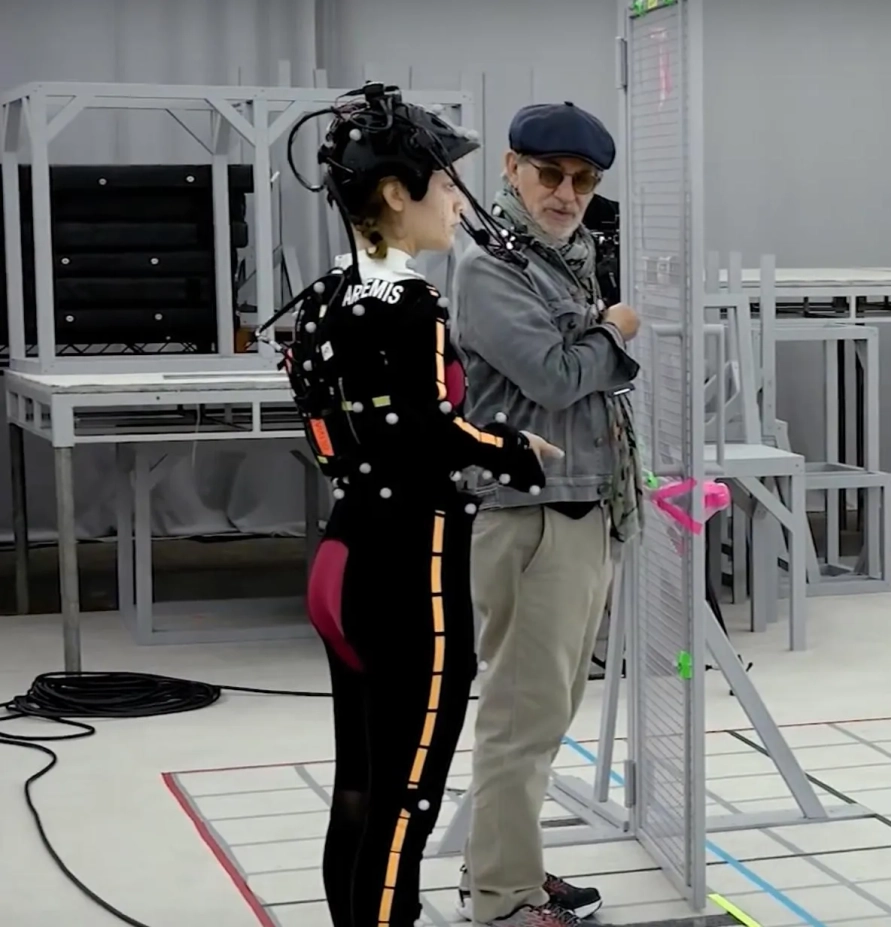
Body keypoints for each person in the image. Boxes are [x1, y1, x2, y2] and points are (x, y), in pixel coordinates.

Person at [279, 84, 556, 927]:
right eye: (440, 181)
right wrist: (514, 450)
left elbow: (375, 423)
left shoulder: (327, 296)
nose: (453, 199)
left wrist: (468, 437)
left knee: (361, 789)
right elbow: (422, 433)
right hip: (409, 569)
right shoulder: (409, 301)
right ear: (395, 192)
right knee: (406, 805)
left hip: (343, 556)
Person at [450, 101, 644, 927]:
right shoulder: (488, 266)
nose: (566, 194)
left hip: (580, 506)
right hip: (530, 514)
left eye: (583, 180)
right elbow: (556, 374)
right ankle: (499, 902)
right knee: (521, 722)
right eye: (549, 176)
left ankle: (511, 871)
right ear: (510, 168)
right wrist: (613, 329)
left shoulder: (565, 257)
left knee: (544, 713)